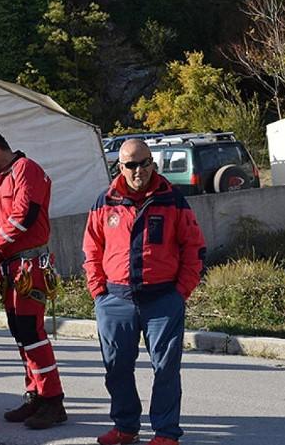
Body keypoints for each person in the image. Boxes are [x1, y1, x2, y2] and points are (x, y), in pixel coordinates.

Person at [82, 139, 205, 445]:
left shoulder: (173, 200)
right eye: (131, 165)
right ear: (120, 167)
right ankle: (125, 427)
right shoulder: (104, 201)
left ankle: (165, 433)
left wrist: (180, 292)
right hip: (115, 300)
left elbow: (195, 247)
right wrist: (99, 292)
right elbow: (91, 249)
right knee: (117, 368)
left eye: (145, 162)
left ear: (153, 163)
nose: (139, 170)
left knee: (165, 369)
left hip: (163, 301)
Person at [0, 125, 67, 430]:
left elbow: (25, 215)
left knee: (31, 333)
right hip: (13, 267)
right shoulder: (4, 178)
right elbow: (1, 219)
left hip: (30, 266)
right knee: (21, 333)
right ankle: (35, 393)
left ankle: (53, 399)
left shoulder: (26, 170)